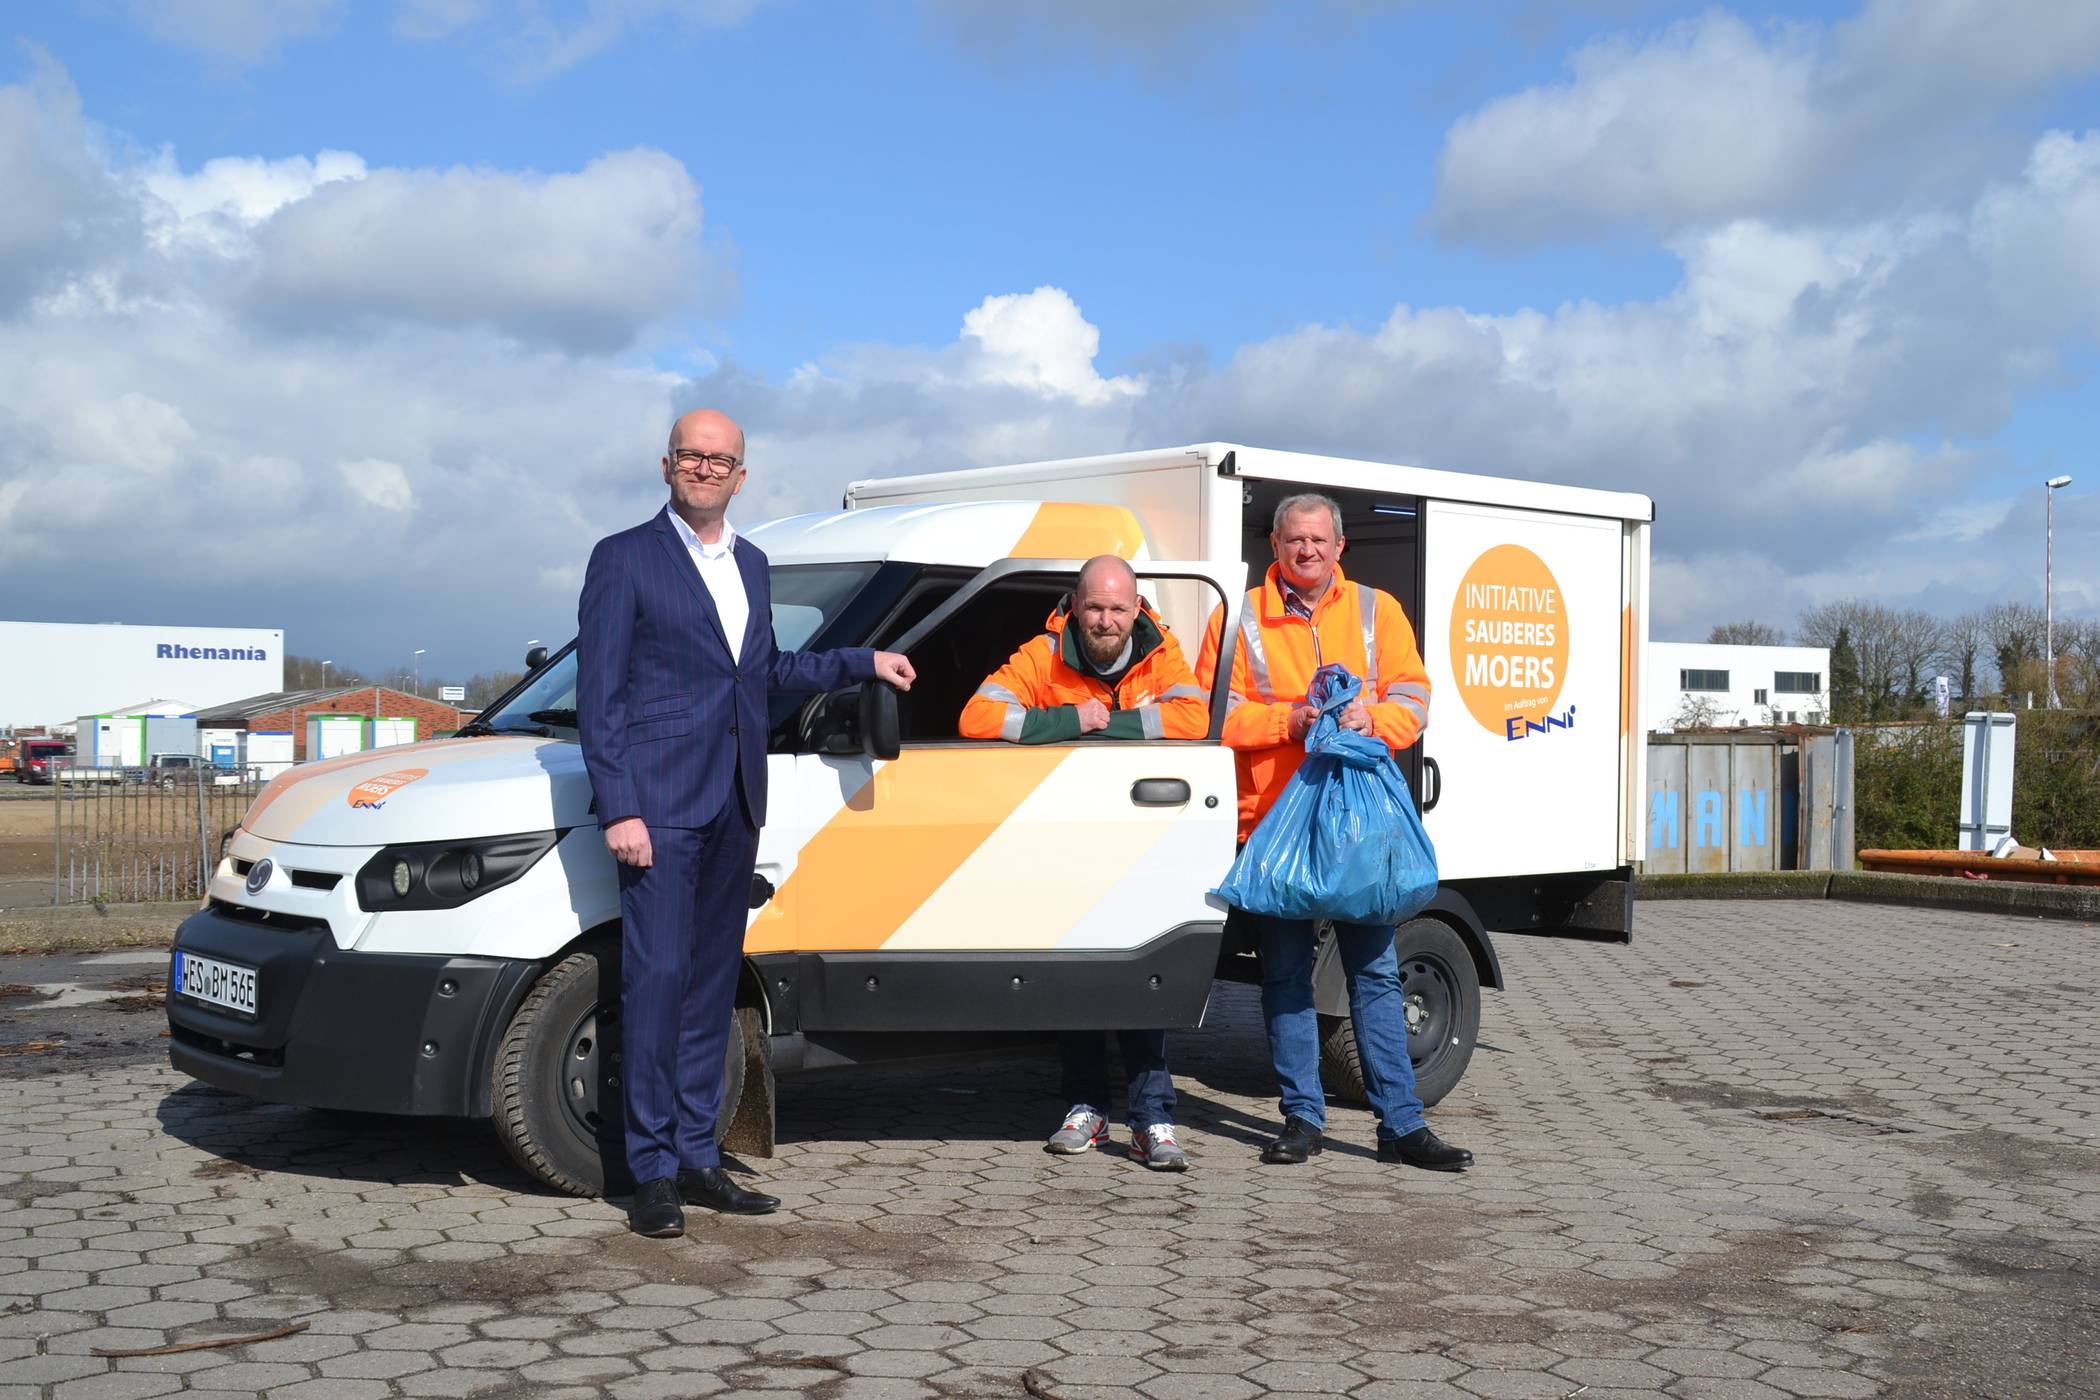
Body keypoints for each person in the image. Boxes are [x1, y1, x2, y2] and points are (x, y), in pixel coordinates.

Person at [578, 408, 917, 1238]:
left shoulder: (754, 564)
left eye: (720, 459)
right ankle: (650, 1171)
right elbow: (601, 695)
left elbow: (764, 670)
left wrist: (861, 660)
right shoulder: (623, 558)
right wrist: (619, 805)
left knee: (707, 987)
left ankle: (699, 1155)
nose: (705, 468)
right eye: (692, 456)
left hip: (735, 800)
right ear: (666, 465)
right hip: (657, 809)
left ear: (741, 474)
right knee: (654, 987)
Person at [1195, 493, 1472, 1172]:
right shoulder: (1237, 619)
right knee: (1286, 978)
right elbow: (1210, 713)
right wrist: (1287, 723)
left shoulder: (1377, 610)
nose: (1308, 551)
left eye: (1320, 540)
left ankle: (1400, 1126)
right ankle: (1301, 1119)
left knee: (1374, 976)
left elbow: (1415, 695)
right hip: (1276, 827)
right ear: (1276, 548)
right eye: (1295, 541)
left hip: (1358, 834)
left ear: (1340, 547)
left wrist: (1372, 719)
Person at [959, 554, 1207, 1170]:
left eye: (1118, 608)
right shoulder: (1042, 654)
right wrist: (1069, 718)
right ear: (1075, 605)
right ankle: (1087, 1109)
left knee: (1142, 984)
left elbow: (1193, 717)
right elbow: (977, 717)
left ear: (1136, 610)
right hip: (1069, 844)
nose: (1105, 620)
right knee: (1079, 980)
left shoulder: (1161, 651)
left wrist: (1108, 726)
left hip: (1148, 844)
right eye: (1094, 606)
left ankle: (1154, 1119)